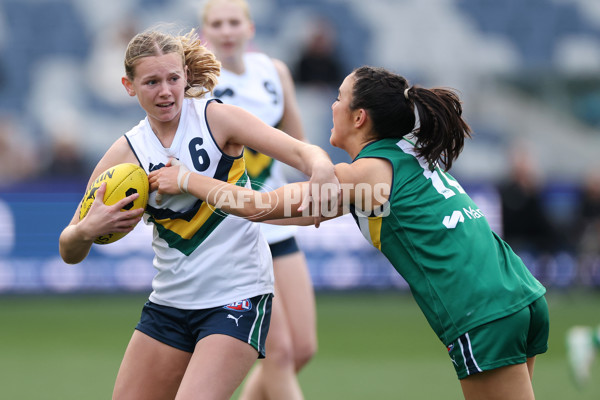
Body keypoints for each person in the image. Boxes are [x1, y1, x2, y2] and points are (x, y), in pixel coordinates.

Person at [150, 65, 550, 400]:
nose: (332, 105)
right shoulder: (403, 152)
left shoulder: (363, 174)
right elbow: (294, 215)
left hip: (483, 312)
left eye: (340, 97)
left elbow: (261, 206)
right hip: (520, 293)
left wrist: (186, 178)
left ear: (360, 117)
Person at [58, 27, 338, 400]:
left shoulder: (216, 119)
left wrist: (320, 166)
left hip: (236, 296)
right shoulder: (126, 154)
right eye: (151, 81)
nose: (165, 91)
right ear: (128, 85)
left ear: (186, 76)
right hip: (169, 306)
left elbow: (304, 152)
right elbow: (68, 248)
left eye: (173, 78)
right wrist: (86, 230)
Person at [200, 1, 316, 398]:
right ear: (204, 32)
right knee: (279, 352)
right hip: (240, 224)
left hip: (278, 217)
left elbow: (299, 145)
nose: (227, 30)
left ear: (250, 28)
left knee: (302, 349)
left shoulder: (274, 71)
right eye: (217, 24)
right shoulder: (199, 85)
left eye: (234, 22)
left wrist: (329, 187)